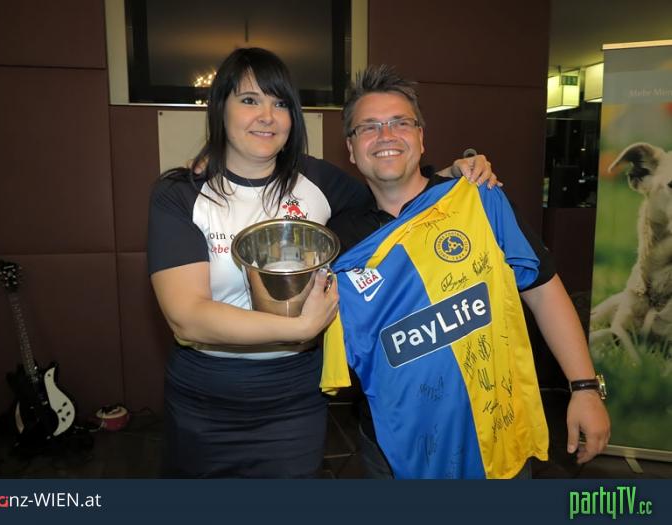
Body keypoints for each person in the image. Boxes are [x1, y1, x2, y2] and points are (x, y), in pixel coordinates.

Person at [147, 48, 495, 478]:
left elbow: (395, 198)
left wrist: (452, 176)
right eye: (250, 100)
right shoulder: (181, 193)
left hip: (295, 398)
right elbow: (187, 318)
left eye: (280, 103)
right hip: (204, 399)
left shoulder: (317, 180)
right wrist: (300, 328)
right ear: (220, 107)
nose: (267, 116)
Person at [322, 65, 611, 479]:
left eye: (400, 123)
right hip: (393, 449)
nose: (386, 135)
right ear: (351, 149)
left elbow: (543, 290)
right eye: (369, 127)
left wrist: (584, 389)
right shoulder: (340, 243)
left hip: (497, 438)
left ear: (421, 137)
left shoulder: (479, 200)